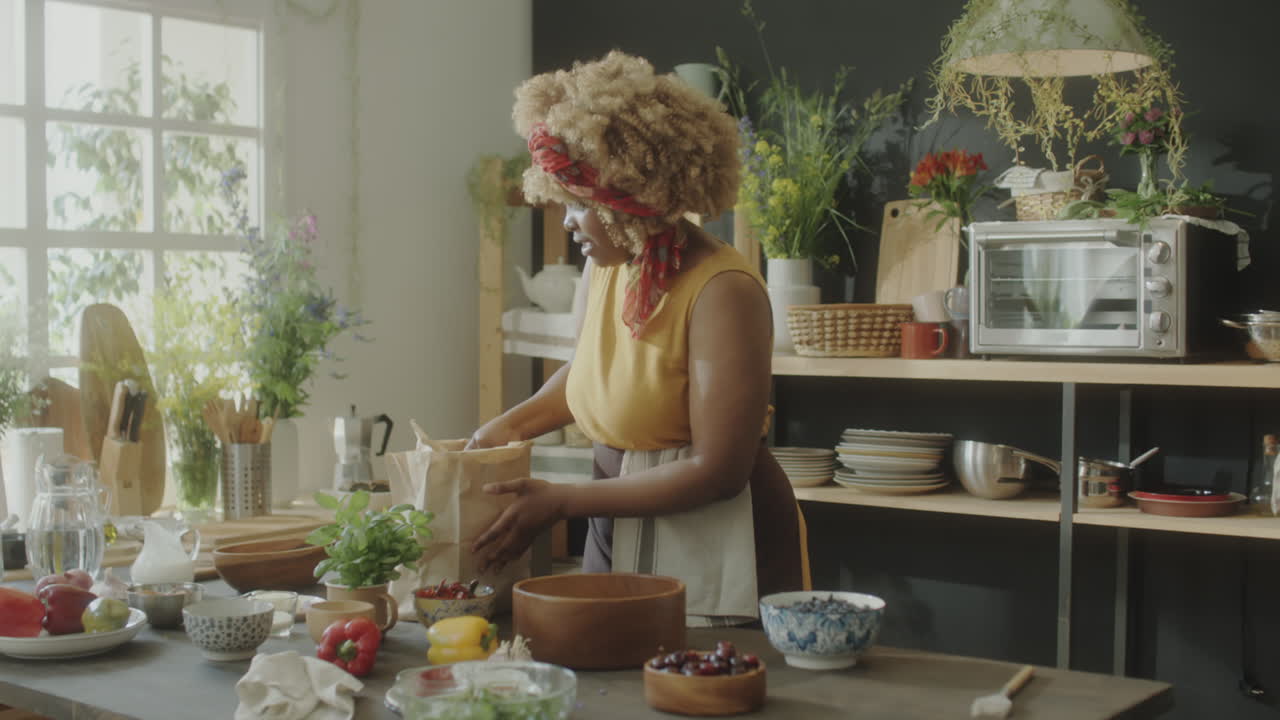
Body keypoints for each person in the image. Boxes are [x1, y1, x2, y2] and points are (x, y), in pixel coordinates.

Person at [468, 51, 803, 623]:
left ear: (635, 202)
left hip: (714, 533)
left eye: (580, 204)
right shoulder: (607, 266)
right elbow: (598, 369)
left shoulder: (724, 290)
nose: (568, 222)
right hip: (615, 507)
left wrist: (566, 501)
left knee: (704, 694)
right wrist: (508, 426)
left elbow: (718, 472)